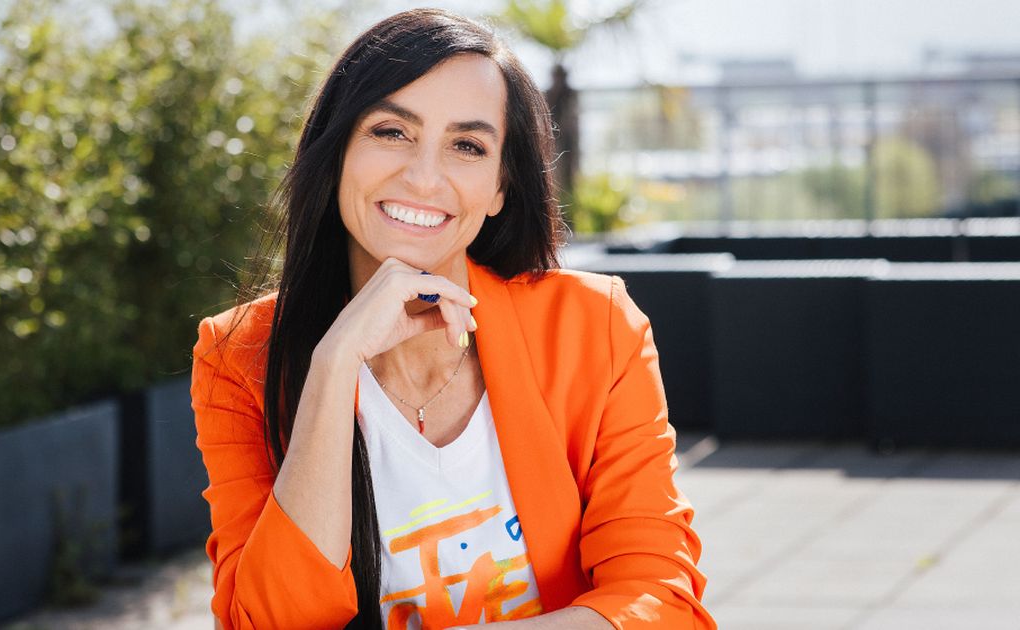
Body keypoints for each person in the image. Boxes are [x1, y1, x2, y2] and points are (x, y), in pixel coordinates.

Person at [191, 8, 714, 630]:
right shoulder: (237, 357)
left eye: (467, 146)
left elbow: (660, 601)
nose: (423, 177)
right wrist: (333, 367)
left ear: (500, 187)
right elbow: (268, 621)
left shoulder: (593, 326)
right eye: (391, 131)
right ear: (337, 153)